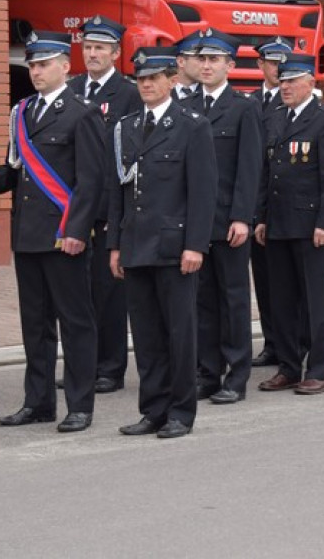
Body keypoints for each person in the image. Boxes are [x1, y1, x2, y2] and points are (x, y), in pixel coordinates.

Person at [0, 31, 103, 432]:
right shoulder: (23, 111)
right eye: (32, 65)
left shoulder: (83, 112)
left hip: (64, 235)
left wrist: (77, 230)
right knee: (35, 324)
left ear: (65, 66)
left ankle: (79, 405)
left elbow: (91, 181)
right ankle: (38, 402)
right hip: (28, 234)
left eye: (43, 64)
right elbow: (17, 171)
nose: (36, 72)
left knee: (75, 323)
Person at [109, 46, 217, 438]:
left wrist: (195, 245)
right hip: (136, 244)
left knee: (180, 333)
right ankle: (153, 409)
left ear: (172, 80)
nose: (146, 85)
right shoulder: (126, 126)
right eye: (141, 79)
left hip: (174, 246)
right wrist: (115, 245)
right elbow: (117, 191)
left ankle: (180, 413)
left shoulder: (191, 125)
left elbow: (203, 191)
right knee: (147, 334)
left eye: (154, 78)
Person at [254, 53, 324, 395]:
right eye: (282, 81)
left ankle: (319, 369)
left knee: (314, 301)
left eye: (292, 81)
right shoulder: (275, 117)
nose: (285, 87)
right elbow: (267, 172)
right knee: (281, 301)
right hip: (278, 223)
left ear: (311, 82)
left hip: (311, 226)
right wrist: (262, 217)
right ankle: (289, 367)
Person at [181, 30, 262, 405]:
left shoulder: (243, 107)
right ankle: (207, 372)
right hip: (195, 223)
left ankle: (237, 375)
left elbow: (249, 167)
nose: (207, 65)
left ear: (230, 65)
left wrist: (242, 217)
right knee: (202, 301)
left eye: (214, 59)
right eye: (202, 59)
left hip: (229, 221)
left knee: (233, 300)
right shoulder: (185, 106)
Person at [65, 15, 141, 394]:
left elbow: (131, 154)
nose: (92, 53)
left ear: (115, 53)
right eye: (88, 47)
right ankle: (83, 366)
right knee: (77, 293)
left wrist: (122, 212)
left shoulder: (128, 93)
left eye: (100, 48)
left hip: (108, 208)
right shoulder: (71, 88)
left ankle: (110, 367)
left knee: (109, 293)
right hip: (75, 207)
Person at [248, 39, 292, 368]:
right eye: (272, 63)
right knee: (263, 281)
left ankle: (294, 341)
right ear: (260, 65)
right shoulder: (249, 102)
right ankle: (271, 342)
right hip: (254, 205)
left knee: (286, 282)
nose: (277, 69)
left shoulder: (293, 102)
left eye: (283, 63)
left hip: (281, 205)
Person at [172, 32, 202, 100]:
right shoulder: (161, 92)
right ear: (181, 61)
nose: (206, 65)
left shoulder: (211, 92)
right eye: (200, 59)